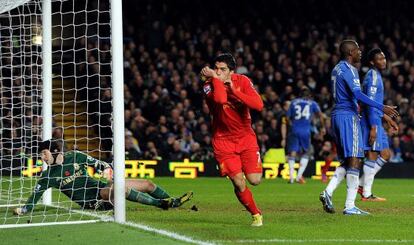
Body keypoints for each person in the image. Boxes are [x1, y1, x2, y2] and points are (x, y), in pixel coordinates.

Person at [319, 40, 399, 215]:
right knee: (355, 159)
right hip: (348, 116)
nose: (360, 52)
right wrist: (381, 107)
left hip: (338, 115)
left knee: (348, 160)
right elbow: (357, 94)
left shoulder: (337, 69)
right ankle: (350, 206)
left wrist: (383, 115)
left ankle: (328, 192)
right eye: (357, 50)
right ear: (350, 52)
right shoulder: (350, 70)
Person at [14, 140, 193, 215]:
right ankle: (162, 205)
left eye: (44, 153)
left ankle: (173, 201)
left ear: (54, 151)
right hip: (92, 201)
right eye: (41, 155)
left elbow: (99, 165)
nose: (42, 158)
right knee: (117, 189)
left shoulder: (76, 156)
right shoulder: (47, 176)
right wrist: (24, 210)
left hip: (101, 188)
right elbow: (34, 196)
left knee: (147, 183)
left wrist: (107, 168)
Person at [201, 53, 264, 226]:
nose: (218, 72)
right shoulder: (208, 85)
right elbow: (220, 99)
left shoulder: (242, 81)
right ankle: (256, 214)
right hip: (223, 140)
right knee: (238, 181)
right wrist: (215, 79)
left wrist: (235, 91)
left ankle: (242, 174)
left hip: (246, 137)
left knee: (255, 180)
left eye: (222, 69)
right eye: (216, 68)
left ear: (231, 71)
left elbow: (259, 105)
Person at [359, 48, 399, 201]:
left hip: (376, 119)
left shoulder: (376, 76)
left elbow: (374, 104)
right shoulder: (373, 77)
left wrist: (387, 119)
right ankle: (367, 194)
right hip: (371, 121)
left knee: (386, 154)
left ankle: (362, 186)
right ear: (372, 62)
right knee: (373, 154)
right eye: (380, 59)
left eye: (384, 58)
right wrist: (374, 127)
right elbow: (369, 104)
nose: (384, 61)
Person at [286, 87, 325, 184]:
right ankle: (299, 176)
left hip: (294, 129)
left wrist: (291, 124)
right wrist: (322, 127)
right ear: (309, 96)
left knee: (293, 152)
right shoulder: (312, 103)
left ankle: (291, 178)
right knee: (306, 152)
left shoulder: (293, 102)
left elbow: (287, 118)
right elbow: (320, 115)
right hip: (305, 130)